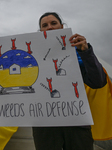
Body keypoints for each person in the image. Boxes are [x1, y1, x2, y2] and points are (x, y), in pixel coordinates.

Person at [32, 12, 107, 150]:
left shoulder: (79, 53)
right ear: (40, 31)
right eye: (45, 25)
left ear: (62, 26)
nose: (49, 27)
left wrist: (86, 52)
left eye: (53, 23)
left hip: (76, 122)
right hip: (45, 124)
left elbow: (98, 82)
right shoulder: (31, 55)